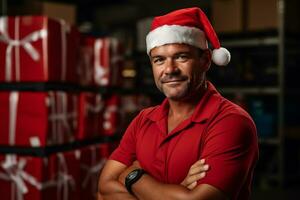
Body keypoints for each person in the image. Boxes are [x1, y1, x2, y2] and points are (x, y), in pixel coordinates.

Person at [98, 7, 259, 200]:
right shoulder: (143, 120)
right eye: (159, 60)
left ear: (206, 60)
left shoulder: (230, 122)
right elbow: (103, 190)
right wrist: (175, 191)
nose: (169, 69)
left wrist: (133, 176)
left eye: (181, 57)